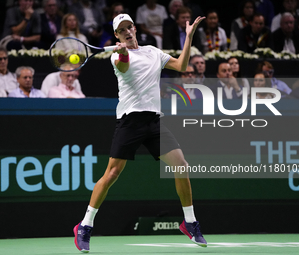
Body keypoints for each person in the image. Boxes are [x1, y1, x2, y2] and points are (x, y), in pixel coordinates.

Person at [73, 13, 206, 253]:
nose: (127, 31)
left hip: (154, 121)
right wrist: (123, 52)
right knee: (112, 173)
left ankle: (190, 222)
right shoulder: (116, 56)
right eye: (121, 29)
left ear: (134, 28)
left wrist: (189, 37)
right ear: (116, 35)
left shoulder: (153, 52)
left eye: (129, 27)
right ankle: (85, 226)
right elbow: (124, 66)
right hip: (130, 121)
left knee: (181, 166)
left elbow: (182, 66)